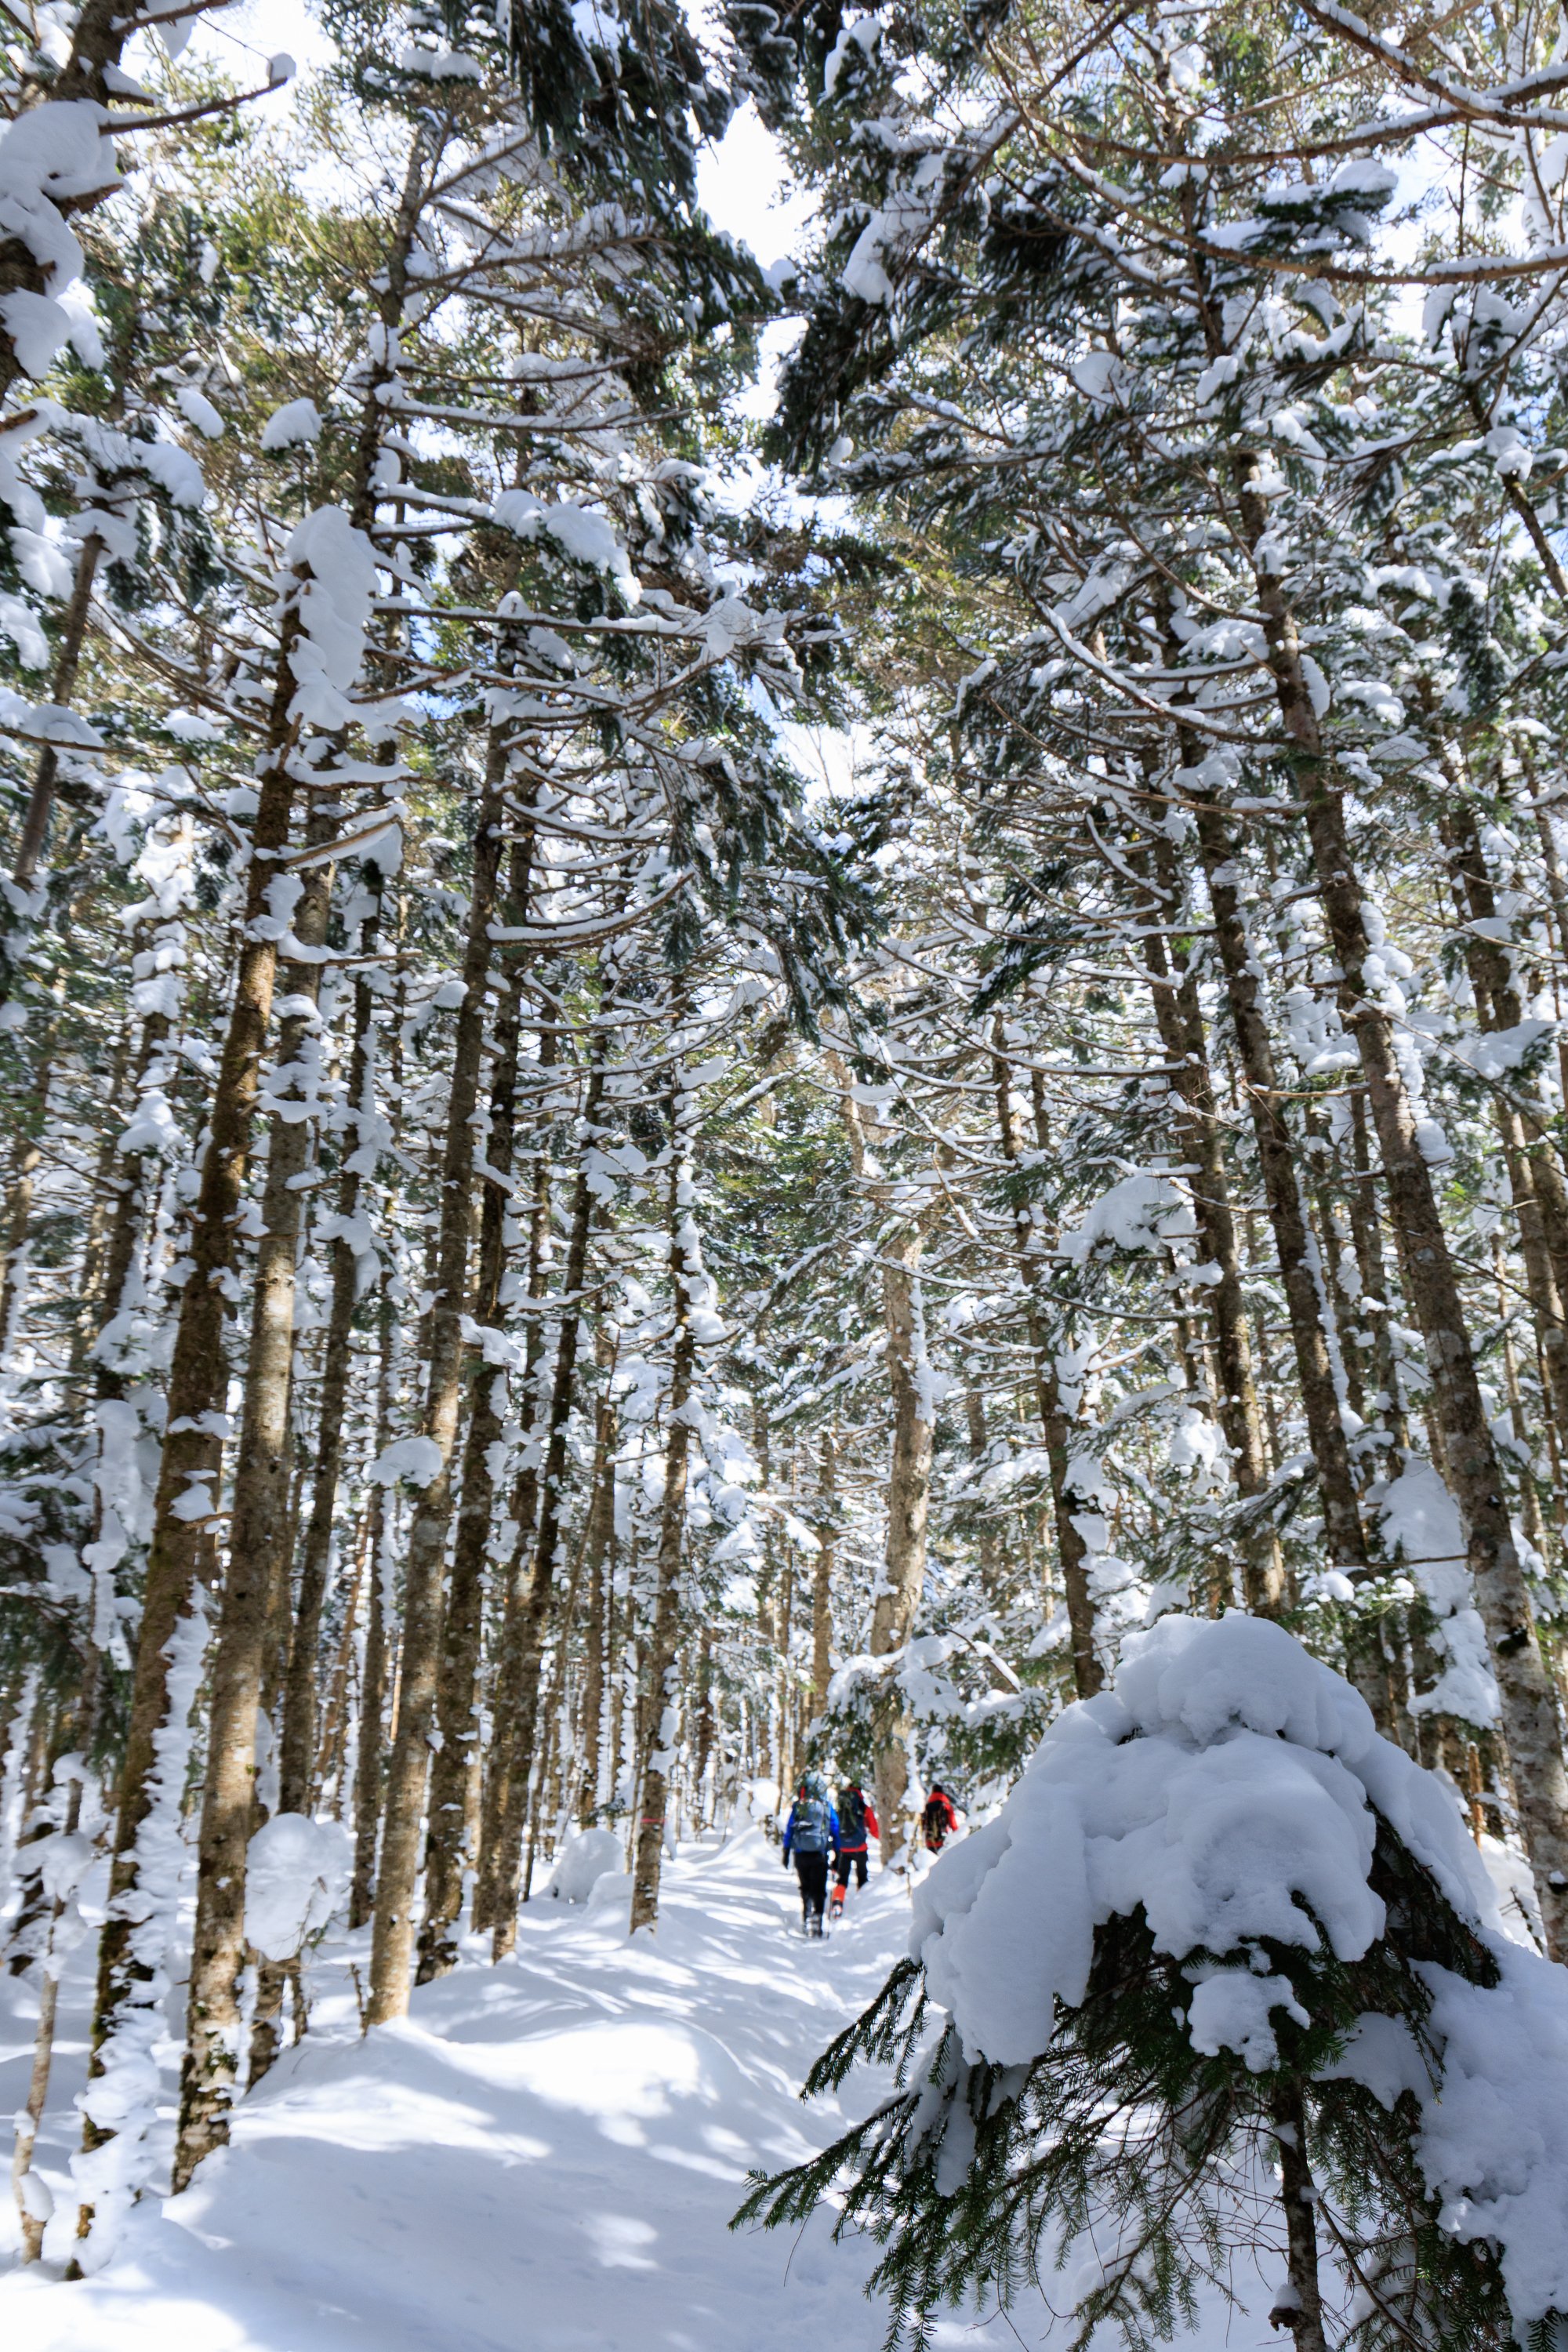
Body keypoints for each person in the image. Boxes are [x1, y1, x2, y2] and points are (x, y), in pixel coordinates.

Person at [782, 1771, 838, 1936]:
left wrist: (786, 1851)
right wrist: (838, 1852)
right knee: (819, 1888)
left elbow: (789, 1830)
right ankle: (818, 1918)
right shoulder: (826, 1807)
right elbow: (835, 1828)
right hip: (820, 1854)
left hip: (801, 1854)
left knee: (805, 1887)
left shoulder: (799, 1806)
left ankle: (806, 1915)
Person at [829, 1779, 878, 1921]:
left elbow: (835, 1825)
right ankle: (862, 1909)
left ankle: (838, 1902)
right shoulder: (862, 1805)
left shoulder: (841, 1805)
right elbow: (873, 1827)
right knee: (862, 1877)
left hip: (844, 1848)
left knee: (842, 1878)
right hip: (860, 1848)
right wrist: (878, 1836)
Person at [920, 1783, 959, 1853]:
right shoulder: (946, 1806)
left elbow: (922, 1823)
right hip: (943, 1839)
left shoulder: (926, 1806)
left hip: (929, 1840)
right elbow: (953, 1822)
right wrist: (958, 1834)